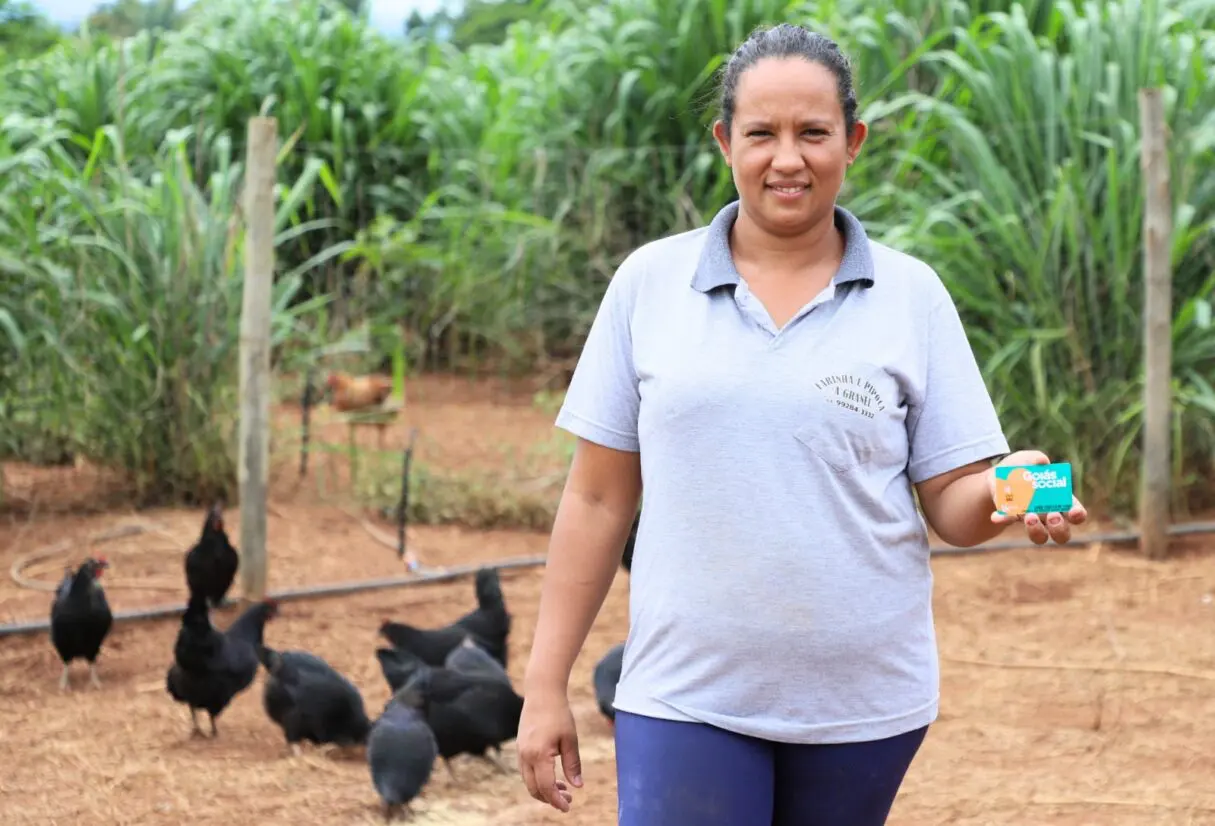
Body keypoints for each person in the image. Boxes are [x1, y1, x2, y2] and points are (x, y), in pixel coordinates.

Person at [515, 22, 1088, 826]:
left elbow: (949, 508)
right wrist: (544, 685)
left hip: (863, 705)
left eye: (812, 133)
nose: (787, 158)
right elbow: (598, 502)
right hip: (684, 692)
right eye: (762, 134)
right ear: (724, 142)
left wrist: (1006, 486)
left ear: (851, 141)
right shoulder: (648, 284)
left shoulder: (910, 296)